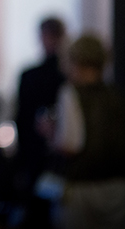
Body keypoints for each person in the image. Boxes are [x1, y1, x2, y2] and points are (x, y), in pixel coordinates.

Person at [51, 34, 125, 229]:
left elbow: (70, 145)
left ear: (75, 61)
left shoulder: (71, 93)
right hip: (117, 186)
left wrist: (50, 134)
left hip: (83, 185)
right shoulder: (115, 95)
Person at [13, 16, 67, 227]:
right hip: (45, 152)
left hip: (45, 152)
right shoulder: (61, 77)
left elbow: (20, 118)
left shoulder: (33, 76)